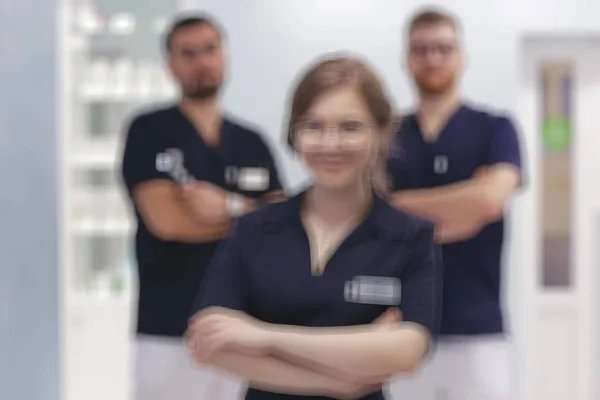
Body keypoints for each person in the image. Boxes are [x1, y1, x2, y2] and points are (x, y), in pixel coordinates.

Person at [185, 55, 443, 400]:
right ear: (294, 133)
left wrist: (263, 337)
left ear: (381, 131)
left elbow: (408, 350)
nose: (330, 144)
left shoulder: (410, 237)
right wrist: (340, 380)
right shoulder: (255, 229)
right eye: (313, 127)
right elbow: (208, 344)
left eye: (350, 127)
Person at [120, 14, 285, 400]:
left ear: (224, 56)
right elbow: (167, 221)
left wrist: (225, 204)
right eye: (188, 53)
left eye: (210, 50)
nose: (202, 62)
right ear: (171, 66)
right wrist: (249, 214)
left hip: (244, 328)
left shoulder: (251, 141)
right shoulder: (149, 131)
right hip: (169, 331)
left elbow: (282, 222)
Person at [387, 8, 524, 400]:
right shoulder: (388, 137)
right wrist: (464, 208)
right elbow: (371, 219)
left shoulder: (495, 128)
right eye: (422, 49)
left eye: (444, 48)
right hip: (400, 333)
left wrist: (400, 208)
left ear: (462, 56)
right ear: (407, 59)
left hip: (479, 334)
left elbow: (490, 198)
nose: (433, 58)